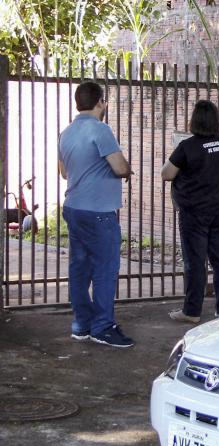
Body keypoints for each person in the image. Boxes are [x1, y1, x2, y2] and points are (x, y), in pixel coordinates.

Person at [58, 81, 134, 348]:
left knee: (79, 268)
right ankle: (103, 327)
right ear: (101, 102)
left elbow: (64, 172)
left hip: (74, 208)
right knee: (105, 269)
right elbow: (120, 167)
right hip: (99, 212)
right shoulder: (101, 129)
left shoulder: (66, 132)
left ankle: (81, 324)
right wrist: (127, 170)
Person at [161, 100, 219, 323]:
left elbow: (166, 174)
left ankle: (192, 311)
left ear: (194, 121)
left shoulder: (188, 146)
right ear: (217, 121)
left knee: (195, 261)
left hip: (195, 212)